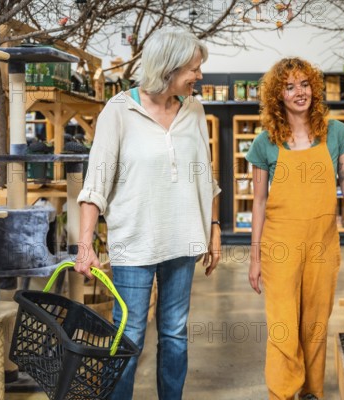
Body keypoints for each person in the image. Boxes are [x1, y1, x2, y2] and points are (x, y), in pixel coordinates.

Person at [74, 27, 221, 400]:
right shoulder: (119, 111)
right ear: (168, 69)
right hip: (135, 242)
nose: (199, 76)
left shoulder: (195, 110)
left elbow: (206, 175)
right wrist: (85, 245)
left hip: (184, 240)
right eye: (193, 69)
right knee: (129, 335)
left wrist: (214, 228)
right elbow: (96, 184)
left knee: (174, 333)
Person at [246, 57, 344, 400]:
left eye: (305, 84)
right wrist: (254, 257)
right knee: (283, 325)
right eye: (290, 86)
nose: (300, 92)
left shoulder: (336, 133)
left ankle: (311, 391)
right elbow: (259, 202)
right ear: (277, 96)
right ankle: (282, 392)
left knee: (315, 324)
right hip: (279, 246)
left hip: (322, 245)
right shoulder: (264, 142)